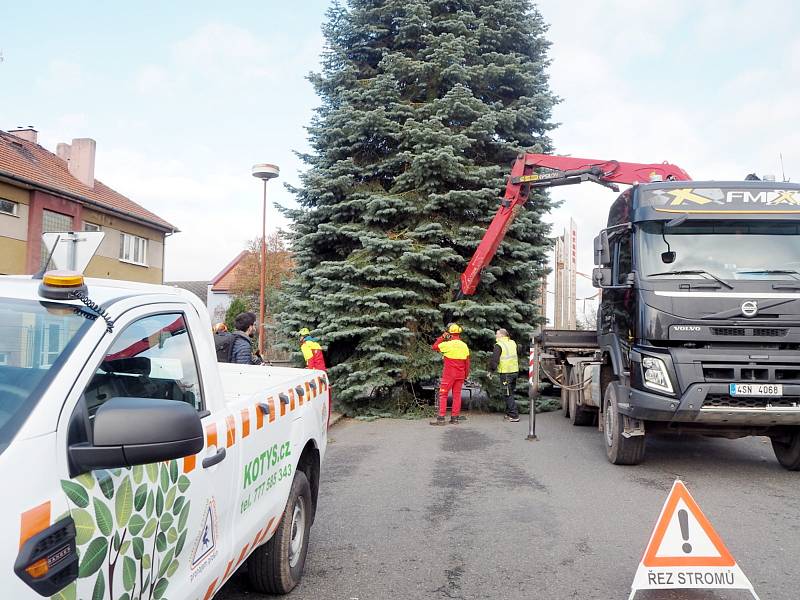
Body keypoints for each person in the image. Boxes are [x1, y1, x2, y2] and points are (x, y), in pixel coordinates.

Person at [431, 323, 470, 426]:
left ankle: (441, 418)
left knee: (443, 394)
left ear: (449, 333)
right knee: (457, 395)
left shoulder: (447, 345)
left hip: (449, 374)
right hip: (460, 374)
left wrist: (442, 337)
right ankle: (455, 418)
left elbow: (434, 347)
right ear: (459, 333)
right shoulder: (464, 345)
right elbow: (467, 362)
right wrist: (466, 375)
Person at [489, 328, 519, 422]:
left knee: (507, 394)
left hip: (506, 373)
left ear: (501, 335)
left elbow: (495, 360)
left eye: (497, 334)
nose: (495, 336)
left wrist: (490, 371)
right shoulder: (512, 343)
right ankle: (509, 413)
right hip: (514, 371)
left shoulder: (499, 345)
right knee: (510, 392)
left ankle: (514, 415)